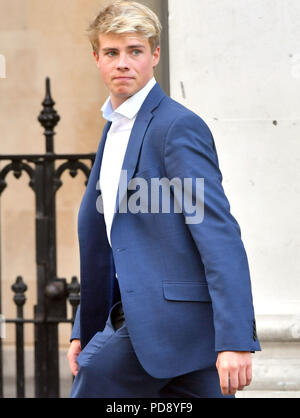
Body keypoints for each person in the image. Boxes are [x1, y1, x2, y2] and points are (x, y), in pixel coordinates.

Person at [67, 0, 261, 398]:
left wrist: (236, 338)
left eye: (135, 51)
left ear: (155, 55)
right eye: (112, 52)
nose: (123, 63)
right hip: (153, 329)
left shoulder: (176, 126)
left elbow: (218, 235)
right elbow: (116, 243)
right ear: (96, 58)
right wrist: (82, 325)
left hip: (170, 326)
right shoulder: (114, 129)